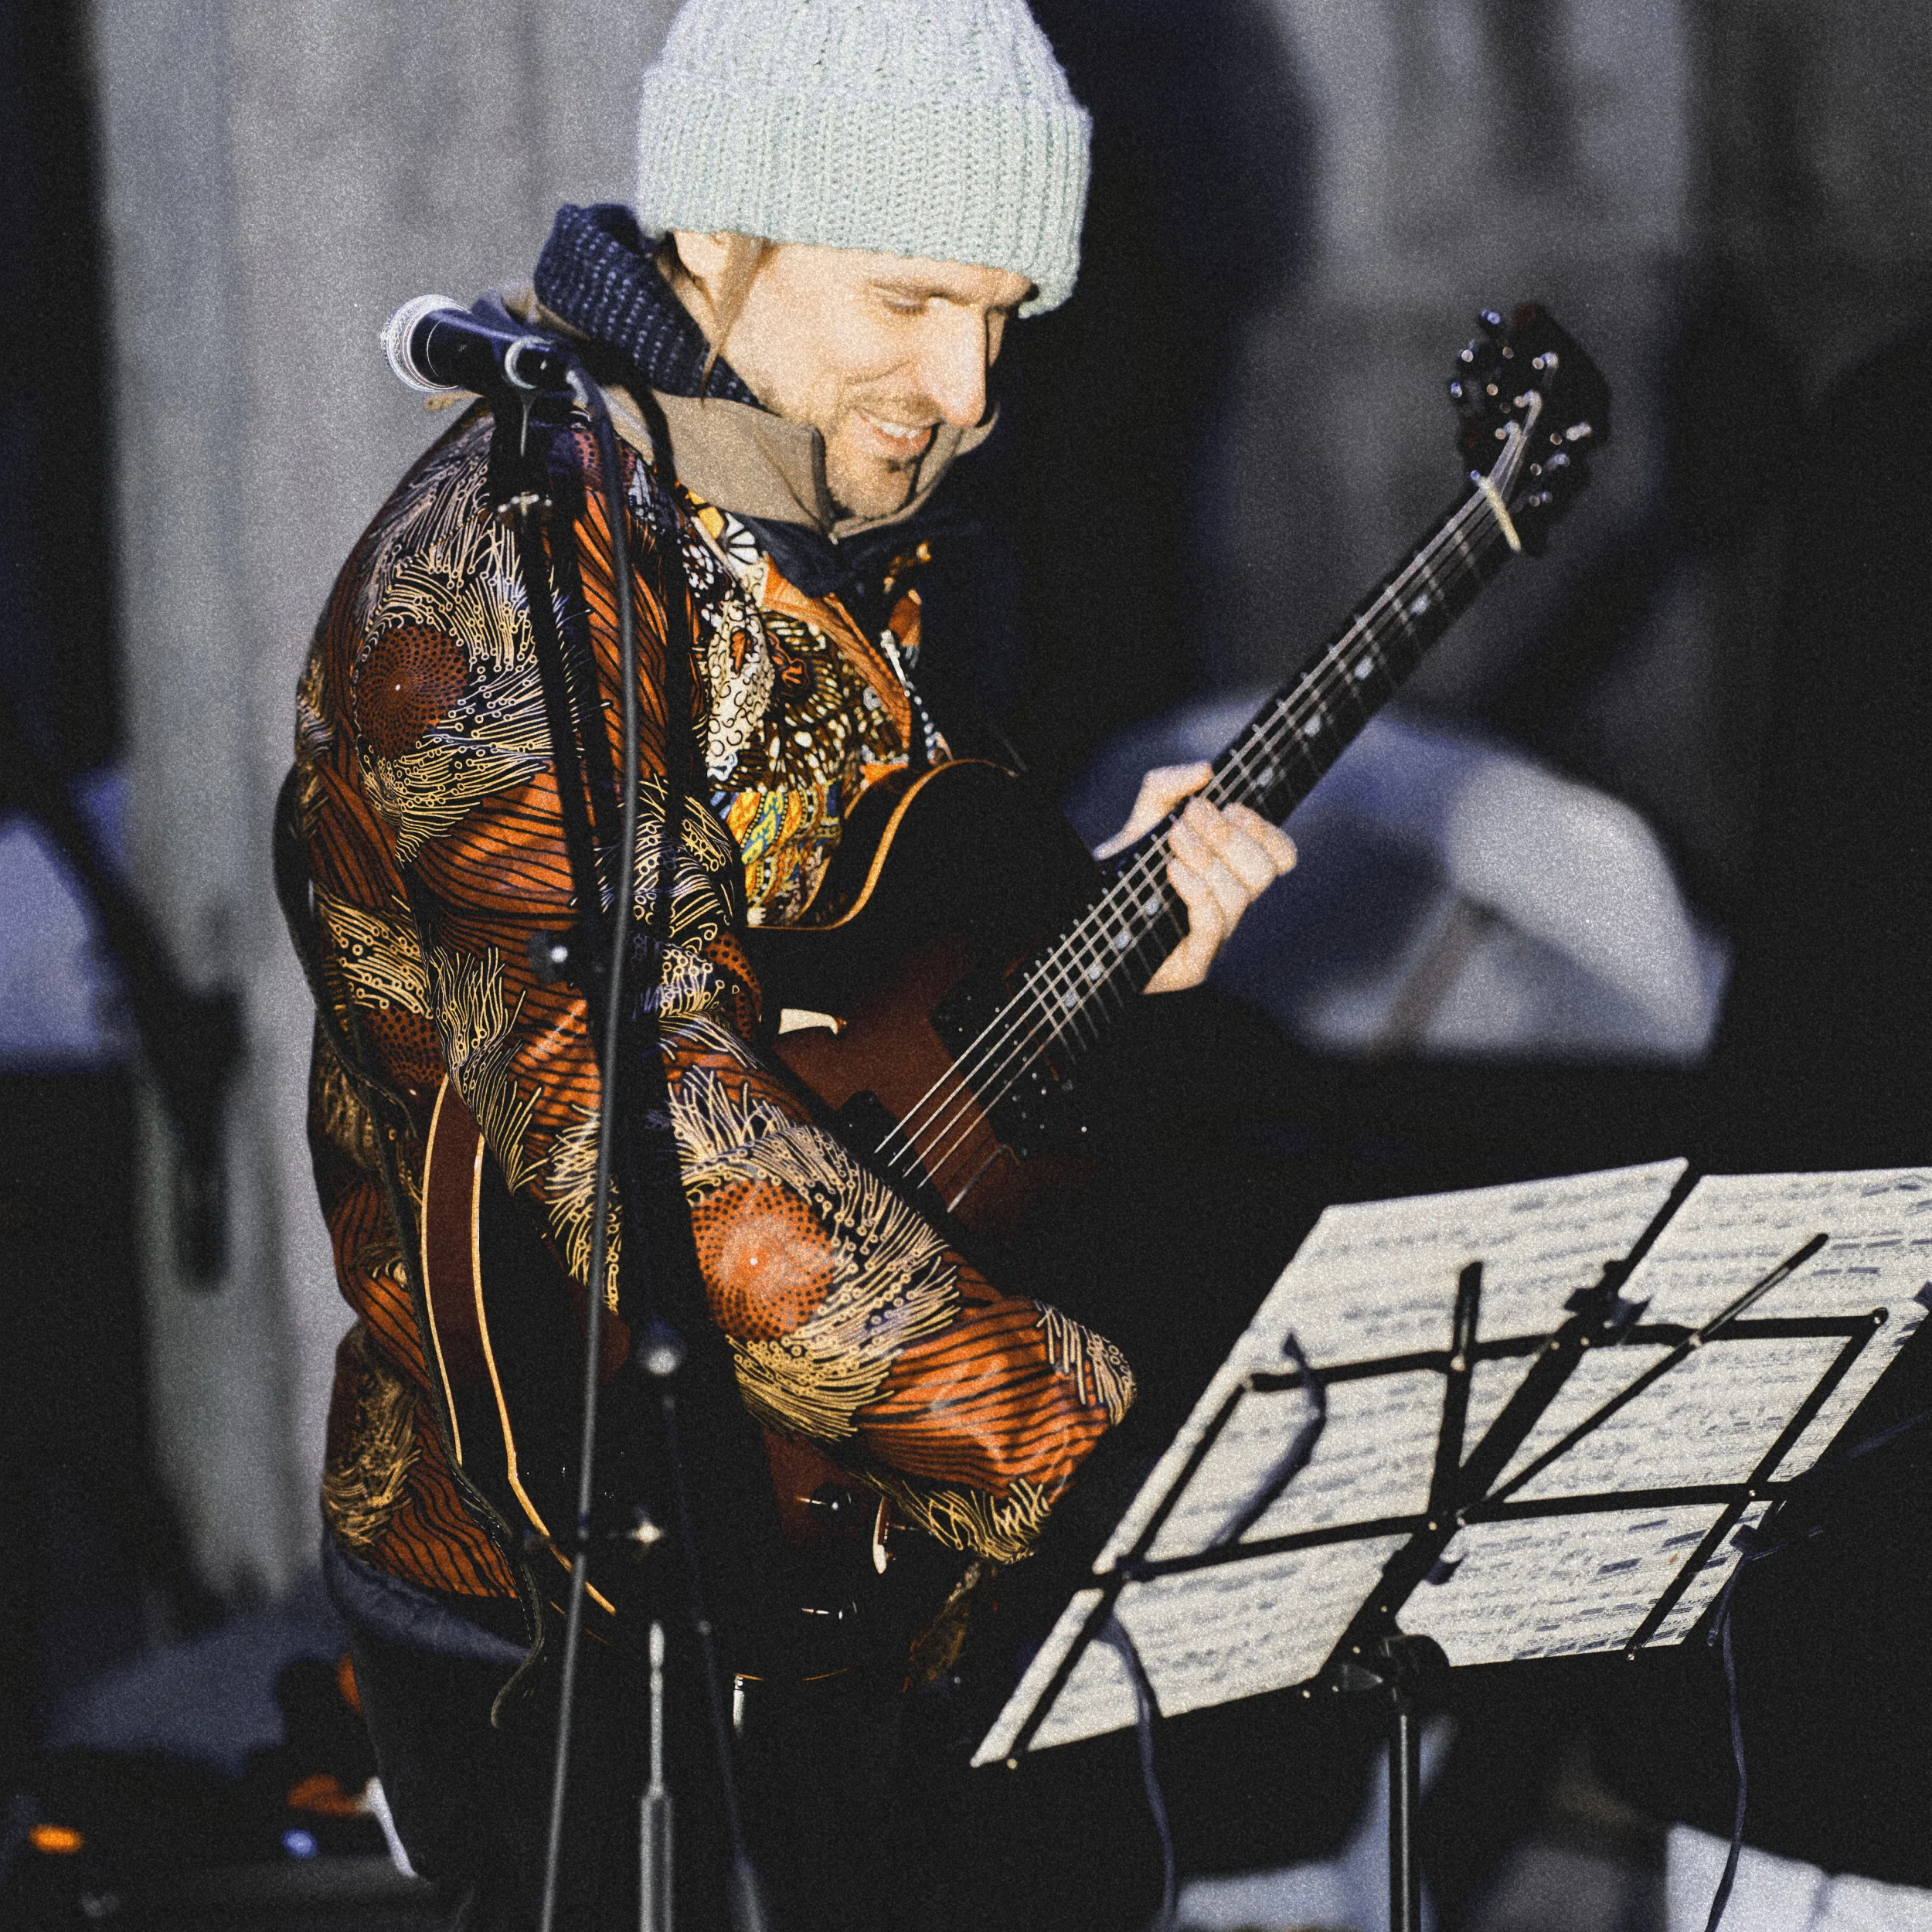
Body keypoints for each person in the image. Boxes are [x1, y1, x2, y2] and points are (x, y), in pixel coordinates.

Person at [285, 2, 1295, 1925]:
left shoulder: (800, 496)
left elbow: (820, 963)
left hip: (839, 1537)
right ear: (716, 236)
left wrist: (1082, 947)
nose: (965, 383)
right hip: (558, 1585)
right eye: (910, 297)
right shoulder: (501, 578)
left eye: (1003, 314)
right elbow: (640, 1128)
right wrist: (1104, 1447)